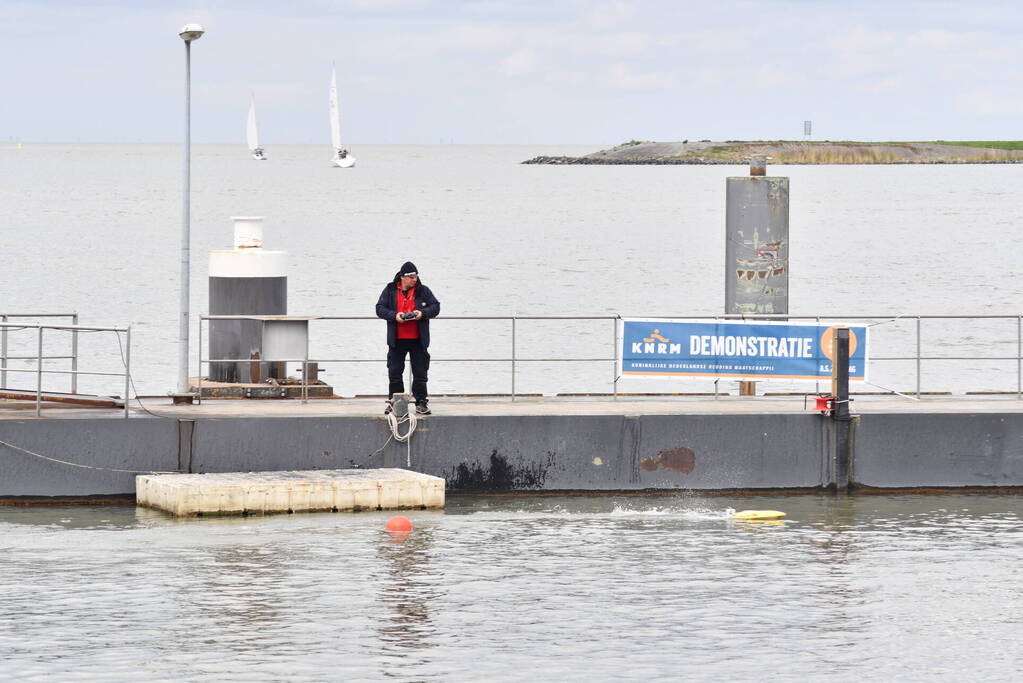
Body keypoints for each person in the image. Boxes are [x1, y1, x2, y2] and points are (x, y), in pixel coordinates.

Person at [375, 261, 440, 415]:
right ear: (403, 278)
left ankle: (421, 402)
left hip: (418, 339)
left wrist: (421, 313)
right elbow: (379, 308)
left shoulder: (423, 290)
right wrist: (395, 316)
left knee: (420, 372)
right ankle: (396, 402)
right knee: (395, 372)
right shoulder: (390, 290)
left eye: (416, 276)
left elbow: (436, 306)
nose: (415, 279)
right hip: (397, 340)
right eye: (411, 277)